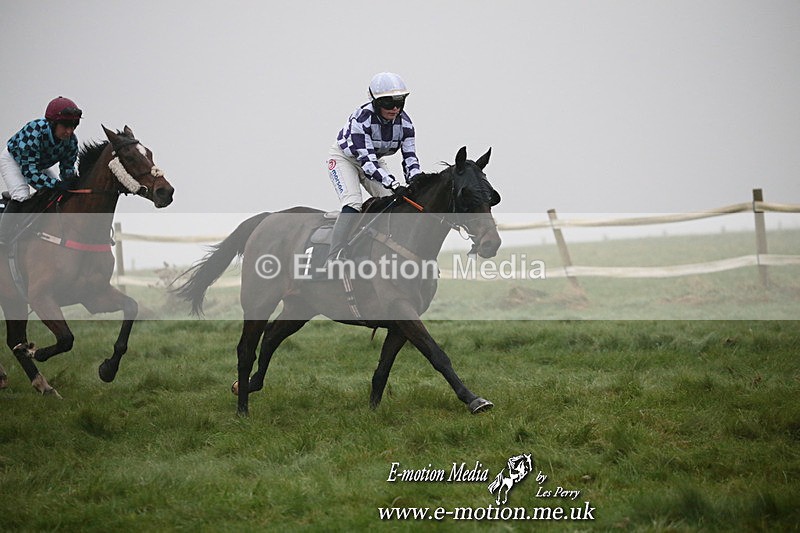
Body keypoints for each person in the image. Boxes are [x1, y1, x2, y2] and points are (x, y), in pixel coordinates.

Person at [326, 72, 422, 260]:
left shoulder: (406, 124)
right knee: (353, 203)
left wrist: (417, 181)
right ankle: (334, 256)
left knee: (393, 202)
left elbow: (410, 158)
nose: (395, 108)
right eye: (388, 103)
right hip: (345, 159)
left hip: (374, 160)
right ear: (376, 102)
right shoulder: (361, 119)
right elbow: (367, 164)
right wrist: (394, 183)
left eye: (399, 102)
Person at [0, 96, 82, 246]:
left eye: (73, 126)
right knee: (21, 195)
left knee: (57, 194)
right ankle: (3, 237)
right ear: (52, 123)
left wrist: (73, 184)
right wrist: (55, 184)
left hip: (38, 165)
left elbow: (67, 170)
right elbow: (30, 174)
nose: (69, 131)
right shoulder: (34, 132)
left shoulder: (71, 142)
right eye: (65, 126)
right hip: (13, 161)